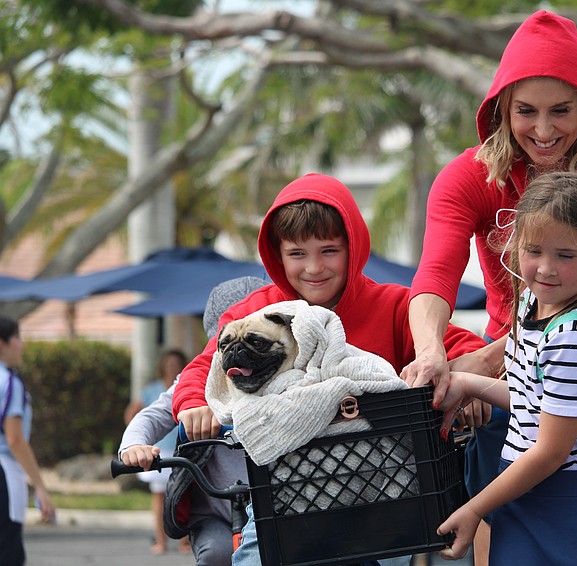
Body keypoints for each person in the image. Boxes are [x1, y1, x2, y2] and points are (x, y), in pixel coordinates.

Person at [402, 10, 577, 563]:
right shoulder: (469, 175)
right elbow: (436, 273)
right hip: (511, 368)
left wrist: (482, 365)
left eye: (560, 110)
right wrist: (433, 355)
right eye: (526, 111)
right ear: (502, 109)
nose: (543, 130)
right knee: (499, 530)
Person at [171, 173, 487, 565]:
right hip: (285, 495)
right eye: (297, 254)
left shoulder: (393, 305)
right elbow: (206, 367)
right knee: (253, 557)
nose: (314, 267)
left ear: (353, 246)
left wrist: (470, 384)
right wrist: (193, 404)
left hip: (384, 490)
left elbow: (462, 346)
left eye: (329, 250)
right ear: (276, 255)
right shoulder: (255, 312)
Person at [425, 172, 577, 563]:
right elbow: (536, 404)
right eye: (534, 251)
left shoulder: (576, 336)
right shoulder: (534, 304)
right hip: (533, 492)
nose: (546, 268)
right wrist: (470, 384)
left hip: (575, 505)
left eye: (565, 255)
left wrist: (475, 508)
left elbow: (549, 452)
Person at [119, 276, 267, 566]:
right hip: (216, 513)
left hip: (272, 507)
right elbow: (153, 415)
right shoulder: (196, 381)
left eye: (255, 340)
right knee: (216, 554)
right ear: (215, 343)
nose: (243, 355)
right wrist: (134, 445)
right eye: (230, 341)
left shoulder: (285, 375)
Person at [0, 315, 56, 566]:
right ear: (2, 344)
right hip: (4, 472)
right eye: (17, 338)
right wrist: (40, 487)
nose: (21, 345)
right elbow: (15, 440)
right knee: (8, 553)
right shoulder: (9, 381)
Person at [123, 347, 189, 555]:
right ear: (162, 366)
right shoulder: (152, 390)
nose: (172, 367)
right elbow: (133, 413)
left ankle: (185, 541)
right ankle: (161, 541)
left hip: (182, 449)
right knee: (160, 497)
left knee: (183, 496)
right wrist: (136, 438)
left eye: (176, 364)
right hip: (159, 450)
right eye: (168, 364)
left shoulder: (188, 386)